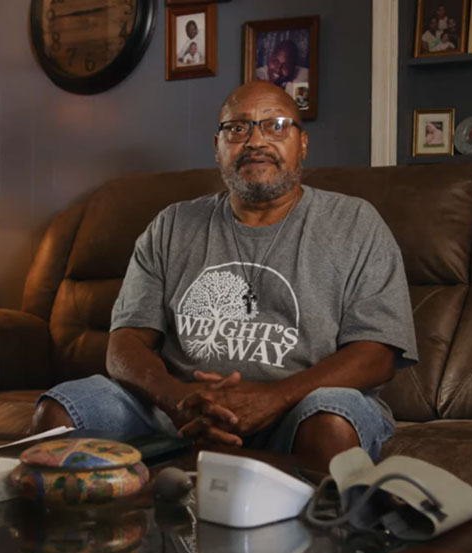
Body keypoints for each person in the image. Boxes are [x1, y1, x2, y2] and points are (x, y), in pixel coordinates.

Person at [31, 81, 417, 470]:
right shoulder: (172, 225)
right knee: (61, 414)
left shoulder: (354, 223)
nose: (255, 141)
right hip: (179, 409)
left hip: (301, 406)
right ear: (217, 147)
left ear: (302, 144)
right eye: (237, 128)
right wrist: (178, 401)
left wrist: (273, 398)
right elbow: (125, 342)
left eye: (276, 125)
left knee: (332, 421)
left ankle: (298, 520)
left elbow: (377, 354)